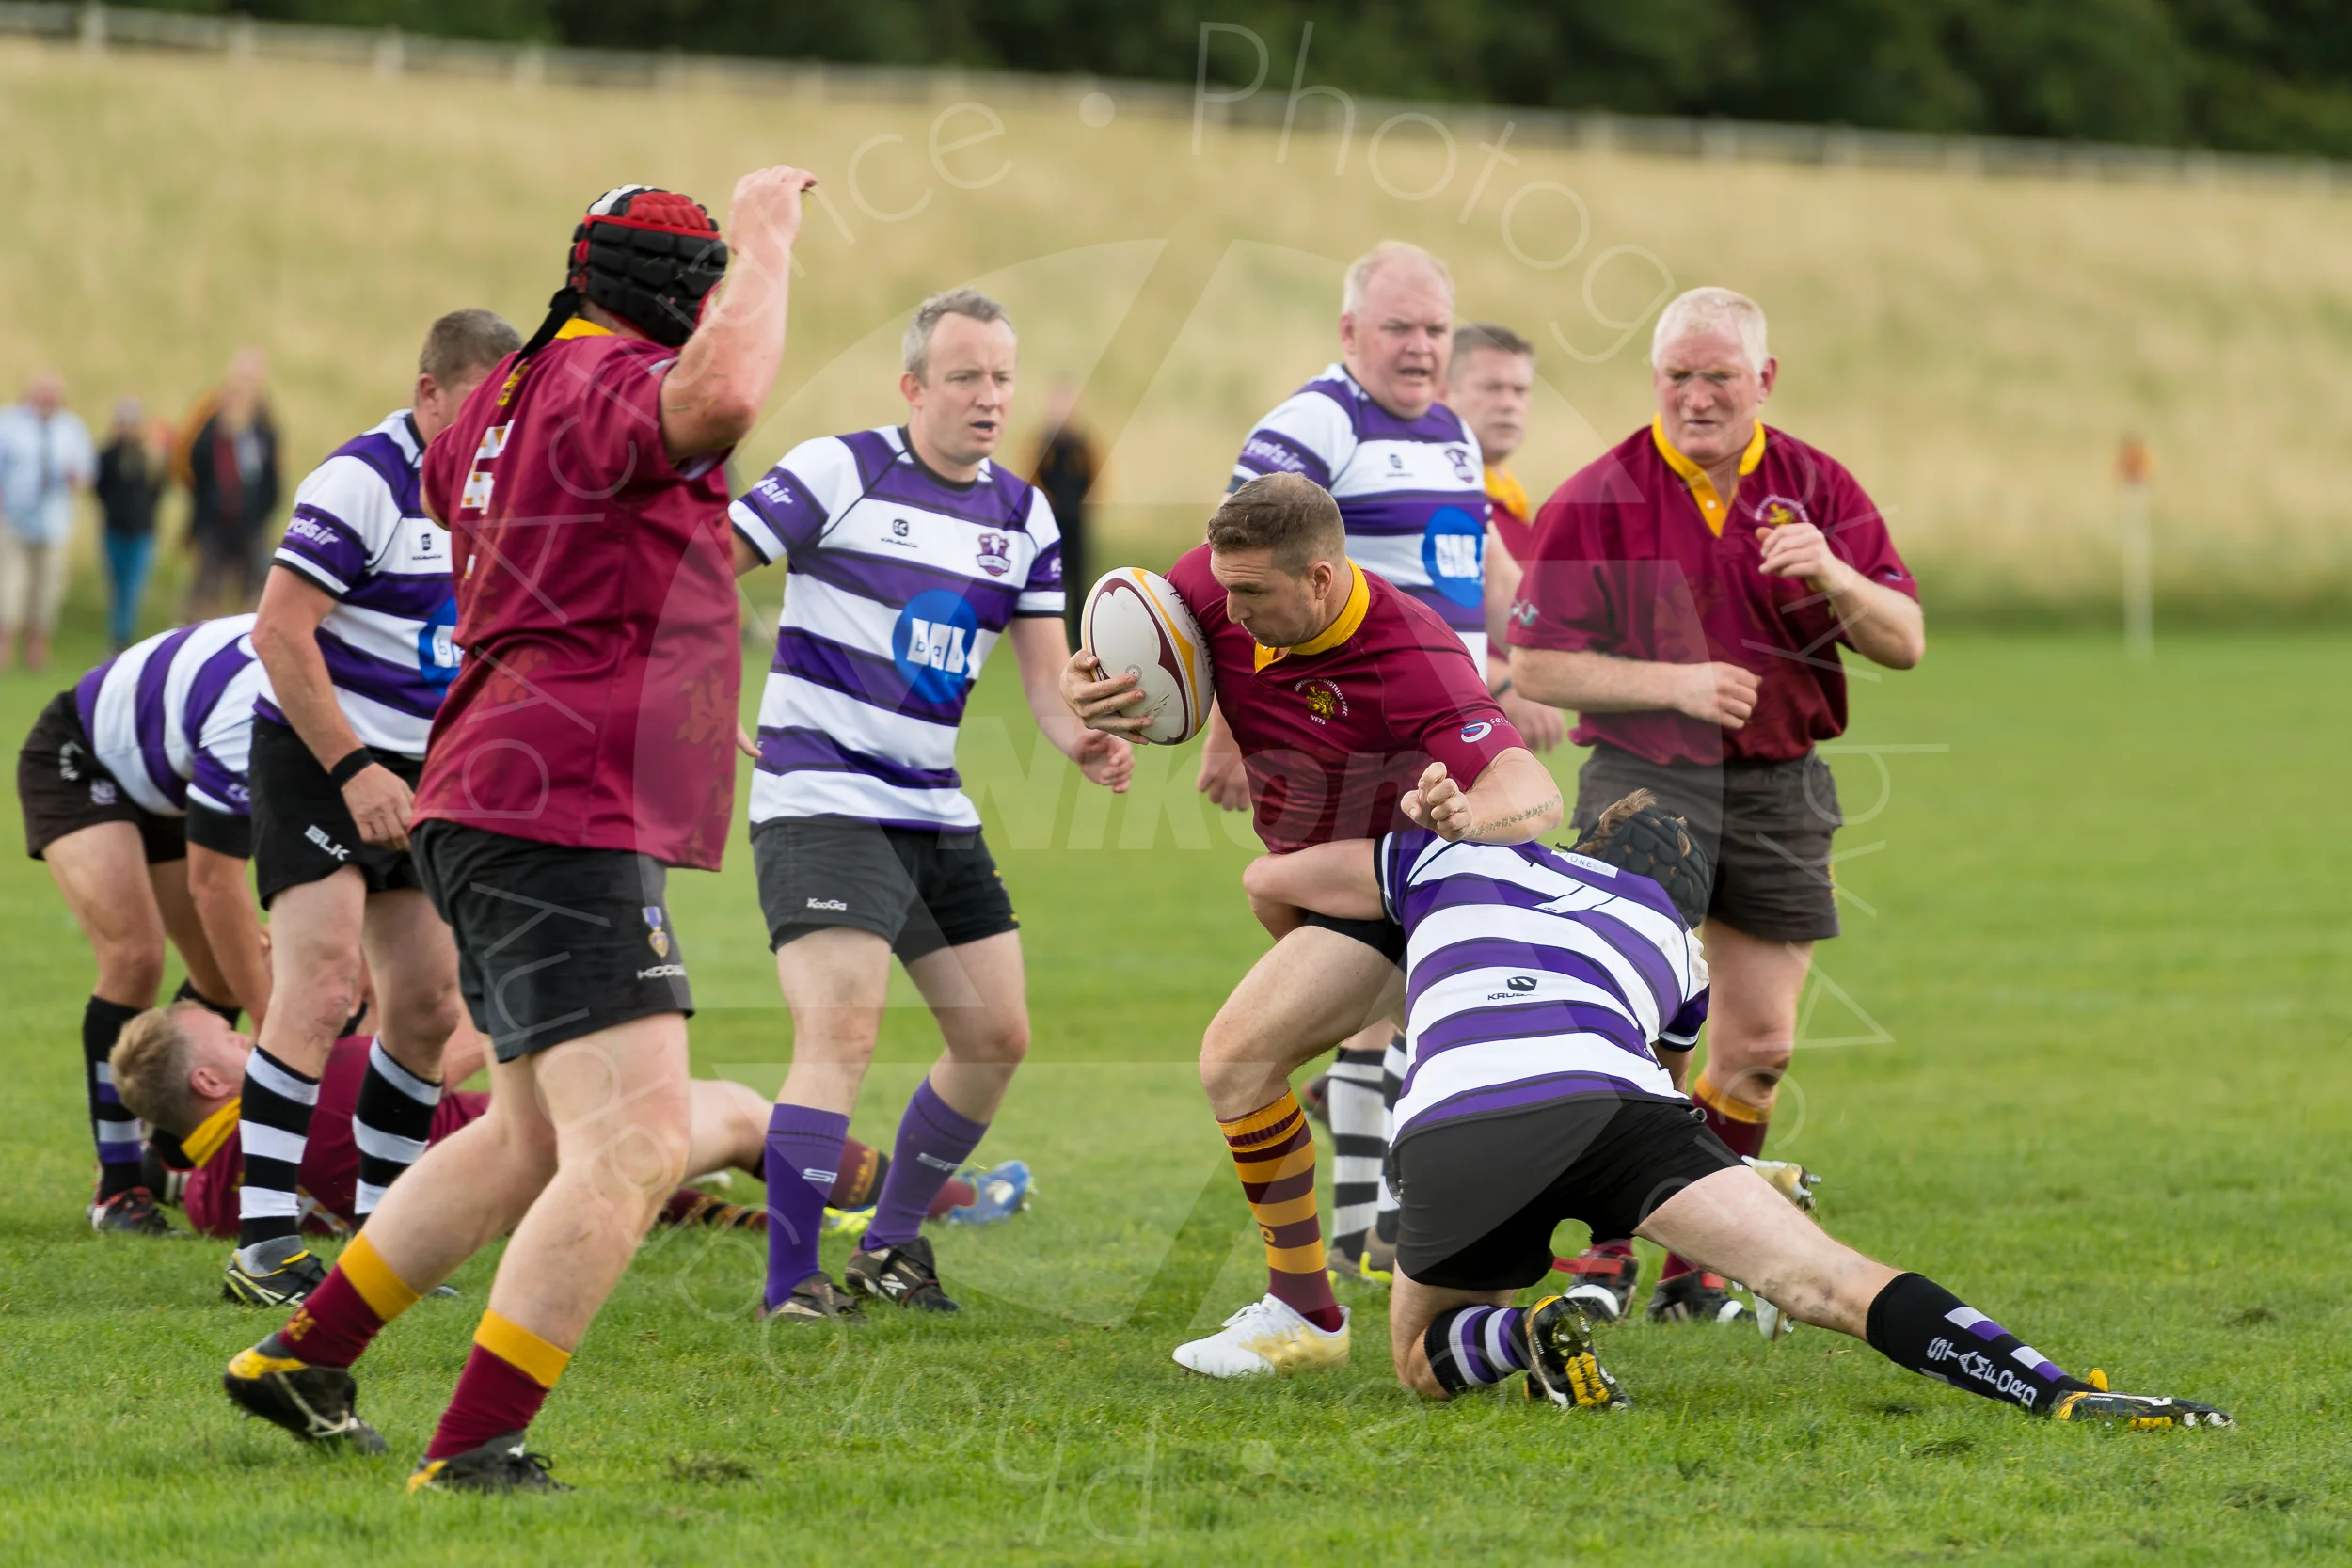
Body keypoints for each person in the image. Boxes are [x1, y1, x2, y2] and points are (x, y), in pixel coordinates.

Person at [222, 170, 815, 1495]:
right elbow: (722, 395)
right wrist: (771, 230)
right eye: (711, 283)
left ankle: (302, 1356)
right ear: (684, 294)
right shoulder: (611, 382)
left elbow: (545, 541)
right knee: (640, 1143)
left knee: (529, 1135)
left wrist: (665, 670)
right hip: (562, 799)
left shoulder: (495, 399)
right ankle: (472, 1444)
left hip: (491, 782)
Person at [1238, 787, 2232, 1431]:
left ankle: (1529, 1329)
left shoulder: (1450, 857)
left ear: (1586, 841)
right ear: (1680, 897)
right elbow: (1665, 1095)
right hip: (1619, 1114)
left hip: (1459, 1122)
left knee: (1420, 1354)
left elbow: (1269, 880)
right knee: (1833, 1281)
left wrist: (1391, 973)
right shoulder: (1675, 946)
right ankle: (2054, 1389)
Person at [1060, 471, 1560, 1378]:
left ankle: (1680, 1220)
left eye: (1253, 594)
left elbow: (1534, 791)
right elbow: (1137, 661)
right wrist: (1090, 689)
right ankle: (1307, 1314)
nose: (1229, 609)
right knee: (1251, 1062)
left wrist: (1466, 814)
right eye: (1224, 586)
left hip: (1419, 900)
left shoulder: (1411, 653)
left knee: (1272, 1064)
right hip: (1325, 890)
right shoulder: (1216, 584)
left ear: (1323, 579)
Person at [1508, 286, 1926, 1326]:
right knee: (1642, 1023)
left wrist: (1833, 573)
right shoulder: (1599, 493)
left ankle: (1702, 1259)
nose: (1696, 396)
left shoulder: (1815, 485)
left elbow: (1903, 639)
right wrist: (1676, 684)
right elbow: (1537, 665)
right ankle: (1609, 1244)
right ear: (1655, 380)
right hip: (1646, 780)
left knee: (1759, 1044)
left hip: (1781, 782)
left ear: (1763, 380)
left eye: (1718, 377)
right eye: (1677, 377)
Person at [729, 288, 1131, 1322]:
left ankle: (894, 1245)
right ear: (913, 387)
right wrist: (694, 689)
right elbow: (697, 565)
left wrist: (1078, 734)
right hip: (820, 796)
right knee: (841, 1033)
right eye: (964, 377)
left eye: (1000, 376)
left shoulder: (1024, 513)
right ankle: (791, 1284)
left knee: (996, 1033)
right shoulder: (839, 470)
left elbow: (1044, 681)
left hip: (929, 807)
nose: (988, 396)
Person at [1221, 244, 1559, 1278]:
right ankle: (1382, 1220)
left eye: (1434, 331)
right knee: (1404, 970)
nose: (1420, 349)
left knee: (1411, 979)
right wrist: (1232, 726)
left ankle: (1379, 1220)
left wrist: (1520, 668)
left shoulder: (1452, 432)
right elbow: (1235, 566)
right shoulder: (1315, 423)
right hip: (1366, 755)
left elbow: (1472, 574)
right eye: (1399, 329)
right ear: (1349, 332)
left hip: (1453, 746)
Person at [225, 309, 521, 1308]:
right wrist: (354, 768)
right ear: (427, 392)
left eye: (509, 410)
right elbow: (278, 631)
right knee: (317, 986)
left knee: (432, 1006)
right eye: (477, 407)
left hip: (435, 769)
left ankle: (383, 1237)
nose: (493, 430)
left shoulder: (510, 488)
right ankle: (263, 1241)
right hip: (323, 754)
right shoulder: (363, 481)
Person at [110, 1004, 922, 1242]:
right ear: (215, 1079)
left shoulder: (216, 1199)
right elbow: (462, 1038)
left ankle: (715, 1198)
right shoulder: (334, 1079)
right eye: (234, 1037)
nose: (256, 1032)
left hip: (483, 1200)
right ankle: (934, 1198)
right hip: (529, 1154)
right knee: (740, 1108)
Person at [16, 613, 270, 1234]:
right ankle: (118, 1185)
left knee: (222, 975)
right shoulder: (278, 675)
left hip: (178, 775)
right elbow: (222, 884)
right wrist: (276, 1032)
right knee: (135, 957)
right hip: (84, 757)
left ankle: (167, 1156)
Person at [0, 372, 96, 673]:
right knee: (9, 587)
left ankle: (37, 649)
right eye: (42, 392)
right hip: (13, 519)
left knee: (48, 589)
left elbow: (87, 471)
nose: (47, 399)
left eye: (52, 394)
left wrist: (76, 477)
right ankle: (4, 647)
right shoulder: (9, 424)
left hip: (53, 522)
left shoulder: (71, 428)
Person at [182, 349, 281, 616]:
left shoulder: (264, 423)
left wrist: (262, 513)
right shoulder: (210, 413)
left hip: (250, 525)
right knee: (206, 597)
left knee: (254, 598)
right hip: (214, 524)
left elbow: (272, 476)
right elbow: (190, 461)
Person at [1029, 377, 1099, 647]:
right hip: (1052, 524)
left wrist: (1083, 504)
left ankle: (1080, 639)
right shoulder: (1043, 443)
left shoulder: (1083, 444)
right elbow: (1032, 477)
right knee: (1052, 583)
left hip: (1077, 523)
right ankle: (1049, 640)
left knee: (1079, 583)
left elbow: (1096, 475)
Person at [96, 401, 168, 652]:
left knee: (131, 587)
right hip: (115, 530)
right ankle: (117, 636)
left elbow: (159, 489)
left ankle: (121, 639)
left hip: (142, 532)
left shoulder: (150, 457)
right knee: (117, 585)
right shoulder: (108, 455)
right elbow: (100, 489)